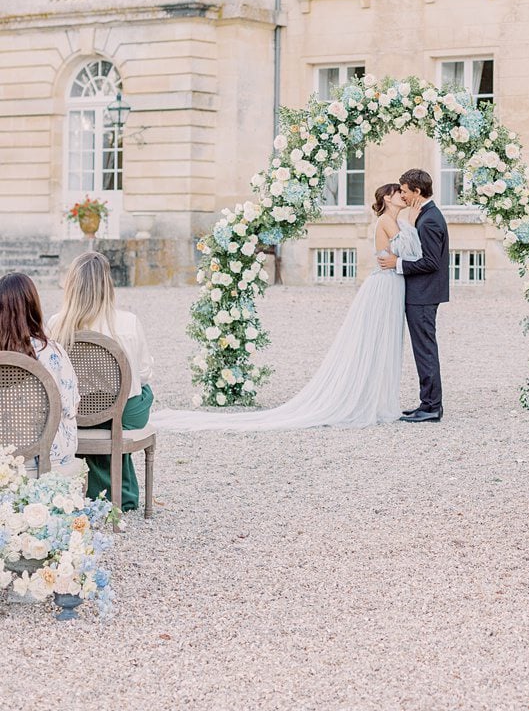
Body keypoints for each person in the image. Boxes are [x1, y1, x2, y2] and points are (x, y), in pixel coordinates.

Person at [152, 182, 423, 432]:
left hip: (394, 282)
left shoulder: (398, 219)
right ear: (388, 198)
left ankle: (379, 399)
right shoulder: (385, 221)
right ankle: (366, 400)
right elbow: (391, 256)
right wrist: (403, 247)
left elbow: (405, 254)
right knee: (375, 340)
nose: (403, 195)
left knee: (386, 341)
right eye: (399, 192)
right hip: (385, 284)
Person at [48, 252, 154, 511]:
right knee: (145, 392)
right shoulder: (128, 322)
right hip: (120, 413)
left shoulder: (56, 324)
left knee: (108, 408)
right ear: (107, 284)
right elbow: (144, 374)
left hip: (76, 412)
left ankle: (92, 489)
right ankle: (120, 493)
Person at [378, 168, 450, 423]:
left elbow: (430, 262)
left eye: (406, 191)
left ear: (417, 191)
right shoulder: (425, 214)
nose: (403, 195)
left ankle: (431, 406)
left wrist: (397, 263)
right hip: (423, 292)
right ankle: (427, 402)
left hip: (424, 293)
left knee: (425, 350)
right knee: (424, 349)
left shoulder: (430, 220)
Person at [0, 271, 82, 477]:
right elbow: (70, 406)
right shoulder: (52, 352)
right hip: (47, 457)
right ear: (33, 307)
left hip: (3, 455)